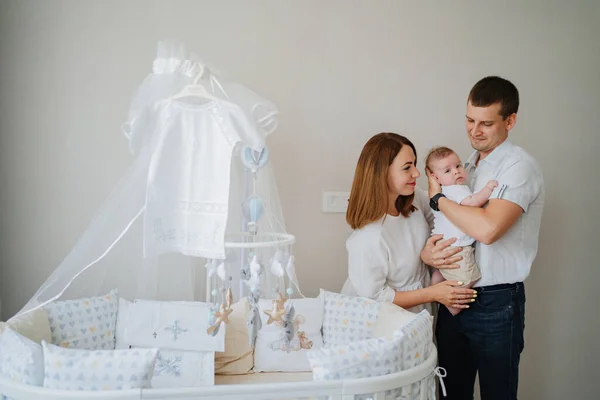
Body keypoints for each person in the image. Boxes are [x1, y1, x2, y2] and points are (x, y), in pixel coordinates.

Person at [427, 76, 545, 400]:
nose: (474, 130)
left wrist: (438, 199)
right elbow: (445, 226)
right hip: (453, 295)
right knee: (450, 394)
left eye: (485, 123)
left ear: (510, 121)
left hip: (496, 303)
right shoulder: (464, 165)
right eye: (469, 120)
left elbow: (488, 230)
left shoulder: (518, 167)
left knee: (497, 395)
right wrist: (429, 254)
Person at [340, 132, 478, 314]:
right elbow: (375, 297)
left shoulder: (415, 200)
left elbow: (446, 222)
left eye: (414, 164)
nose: (417, 173)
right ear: (382, 173)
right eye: (407, 168)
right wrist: (432, 293)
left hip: (418, 314)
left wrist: (429, 256)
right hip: (384, 322)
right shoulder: (368, 236)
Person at [425, 146, 498, 316]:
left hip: (443, 243)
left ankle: (436, 281)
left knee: (442, 272)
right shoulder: (456, 190)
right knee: (469, 278)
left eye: (458, 166)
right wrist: (488, 189)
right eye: (448, 170)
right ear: (436, 178)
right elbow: (472, 202)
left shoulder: (443, 192)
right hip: (456, 247)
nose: (456, 172)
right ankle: (453, 307)